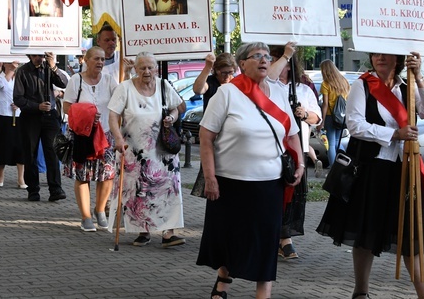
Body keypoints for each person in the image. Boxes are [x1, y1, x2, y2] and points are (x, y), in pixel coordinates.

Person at [316, 52, 424, 299]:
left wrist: (419, 76)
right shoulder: (362, 84)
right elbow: (355, 125)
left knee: (413, 235)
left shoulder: (409, 86)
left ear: (398, 59)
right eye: (375, 54)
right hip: (371, 168)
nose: (380, 58)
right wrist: (394, 135)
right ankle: (361, 290)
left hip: (404, 168)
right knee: (365, 232)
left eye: (386, 55)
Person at [196, 42, 302, 299]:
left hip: (269, 184)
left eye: (267, 56)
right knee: (227, 239)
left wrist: (299, 163)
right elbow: (206, 136)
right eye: (257, 56)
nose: (264, 60)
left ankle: (262, 295)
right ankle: (224, 277)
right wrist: (209, 177)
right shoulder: (227, 93)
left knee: (266, 243)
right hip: (230, 182)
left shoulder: (278, 93)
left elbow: (292, 134)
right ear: (242, 64)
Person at [107, 51, 185, 247]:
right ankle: (143, 231)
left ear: (156, 69)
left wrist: (172, 118)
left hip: (162, 151)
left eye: (150, 67)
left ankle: (169, 232)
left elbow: (179, 107)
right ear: (135, 69)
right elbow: (113, 116)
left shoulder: (163, 85)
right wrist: (117, 139)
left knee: (168, 189)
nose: (147, 71)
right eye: (142, 68)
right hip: (134, 151)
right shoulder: (124, 88)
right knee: (138, 191)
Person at [268, 43, 319, 260]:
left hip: (296, 149)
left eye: (279, 60)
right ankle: (272, 235)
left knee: (293, 196)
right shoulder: (266, 87)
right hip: (272, 149)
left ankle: (285, 237)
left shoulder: (303, 90)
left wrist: (305, 113)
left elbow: (317, 119)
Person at [63, 46, 119, 231]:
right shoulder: (76, 80)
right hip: (83, 136)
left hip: (105, 134)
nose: (100, 62)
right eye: (96, 59)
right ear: (86, 60)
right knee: (82, 175)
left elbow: (120, 101)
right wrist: (87, 115)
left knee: (107, 174)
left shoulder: (110, 80)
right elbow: (66, 107)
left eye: (103, 59)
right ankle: (85, 216)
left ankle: (100, 210)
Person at [14, 52, 68, 202]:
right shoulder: (23, 71)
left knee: (52, 151)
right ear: (30, 56)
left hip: (50, 116)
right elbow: (18, 98)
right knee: (30, 153)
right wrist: (37, 106)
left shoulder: (49, 68)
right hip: (31, 117)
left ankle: (56, 189)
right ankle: (33, 189)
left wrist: (54, 67)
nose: (40, 58)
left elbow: (64, 83)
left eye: (42, 55)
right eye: (37, 55)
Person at [0, 61, 26, 189]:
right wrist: (10, 71)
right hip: (3, 115)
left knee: (20, 146)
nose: (13, 65)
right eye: (9, 64)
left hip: (19, 115)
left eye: (14, 64)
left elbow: (26, 94)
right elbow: (1, 86)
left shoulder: (21, 78)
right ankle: (1, 174)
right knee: (2, 145)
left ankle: (21, 177)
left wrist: (20, 104)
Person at [318, 59, 350, 168]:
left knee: (331, 144)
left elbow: (325, 104)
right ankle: (344, 165)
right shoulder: (344, 82)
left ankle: (333, 168)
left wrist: (321, 121)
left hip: (330, 117)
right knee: (337, 142)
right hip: (342, 117)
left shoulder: (326, 84)